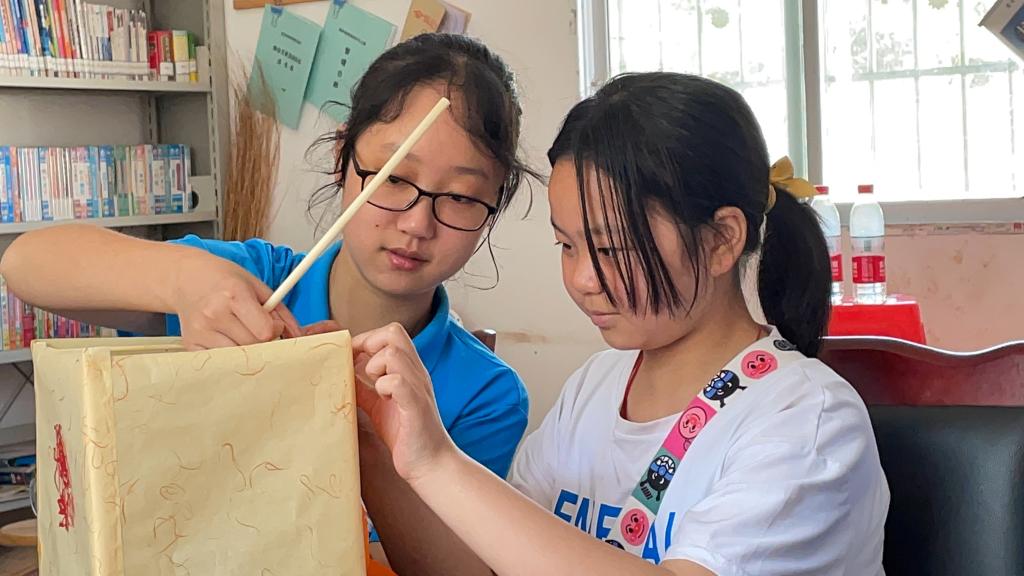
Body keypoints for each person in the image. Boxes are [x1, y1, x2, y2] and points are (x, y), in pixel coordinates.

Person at [0, 33, 534, 569]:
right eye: (394, 177)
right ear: (342, 158)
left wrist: (368, 435)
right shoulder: (252, 281)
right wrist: (183, 280)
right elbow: (27, 263)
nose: (417, 224)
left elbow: (453, 568)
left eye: (461, 197)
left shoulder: (487, 393)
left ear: (496, 203)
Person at [351, 72, 889, 575]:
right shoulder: (597, 385)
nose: (583, 278)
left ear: (721, 239)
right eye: (567, 245)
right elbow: (486, 568)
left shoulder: (809, 420)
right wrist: (376, 443)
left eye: (611, 249)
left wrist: (440, 462)